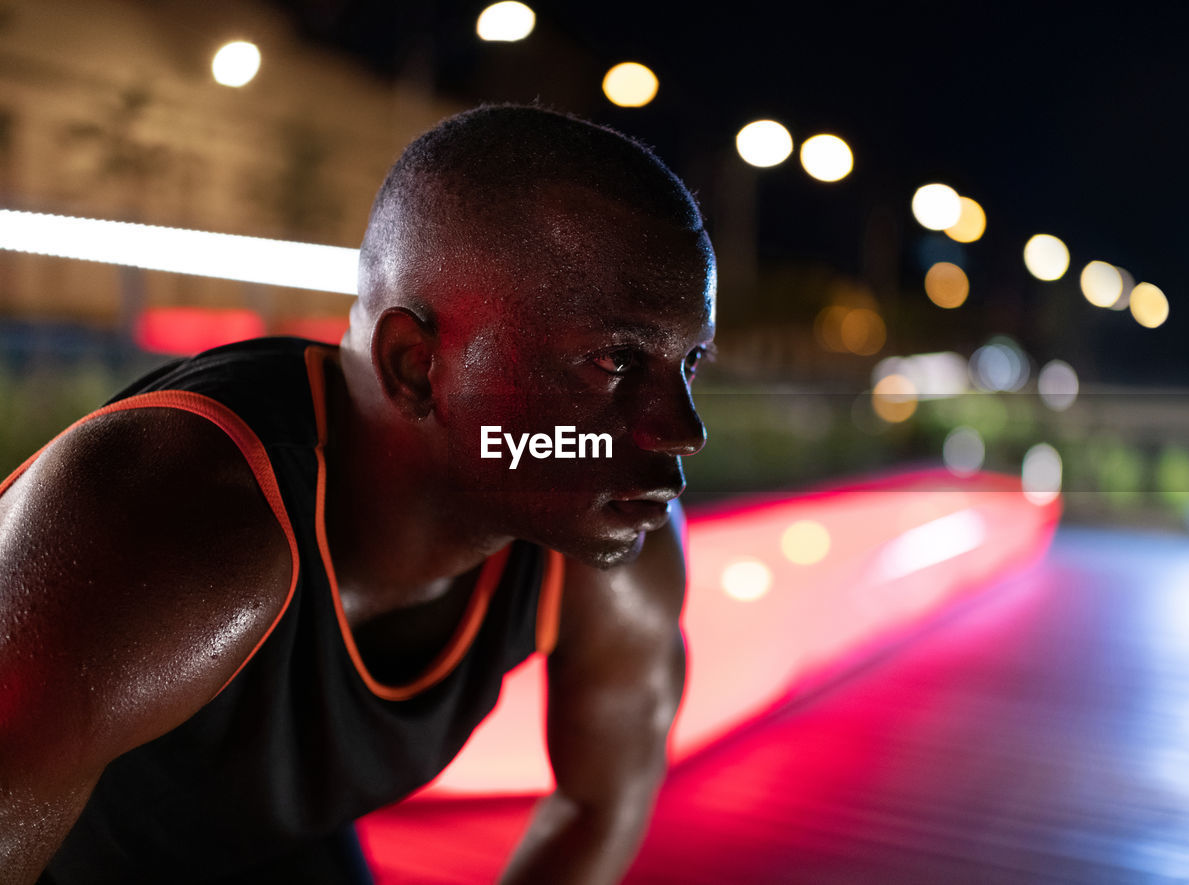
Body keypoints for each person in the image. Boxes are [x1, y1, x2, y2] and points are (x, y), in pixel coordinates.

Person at [0, 105, 716, 884]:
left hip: (271, 847)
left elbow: (597, 809)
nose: (682, 429)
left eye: (691, 363)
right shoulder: (180, 525)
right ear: (415, 365)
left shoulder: (606, 539)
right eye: (615, 362)